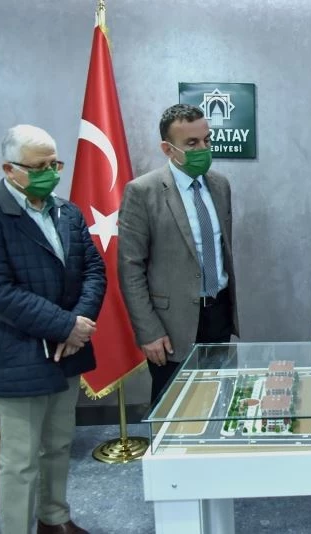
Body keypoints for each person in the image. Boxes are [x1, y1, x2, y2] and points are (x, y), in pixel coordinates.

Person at [0, 125, 106, 534]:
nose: (50, 173)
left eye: (54, 164)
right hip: (19, 356)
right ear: (9, 169)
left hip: (67, 352)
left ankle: (53, 518)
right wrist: (65, 326)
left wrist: (78, 325)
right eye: (39, 167)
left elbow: (94, 270)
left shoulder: (67, 211)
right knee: (20, 460)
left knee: (58, 444)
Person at [118, 104, 238, 404]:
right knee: (173, 407)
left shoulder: (220, 185)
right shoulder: (142, 192)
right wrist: (148, 331)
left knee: (217, 400)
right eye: (192, 143)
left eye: (207, 140)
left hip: (218, 312)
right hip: (171, 325)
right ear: (168, 149)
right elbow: (130, 269)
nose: (203, 149)